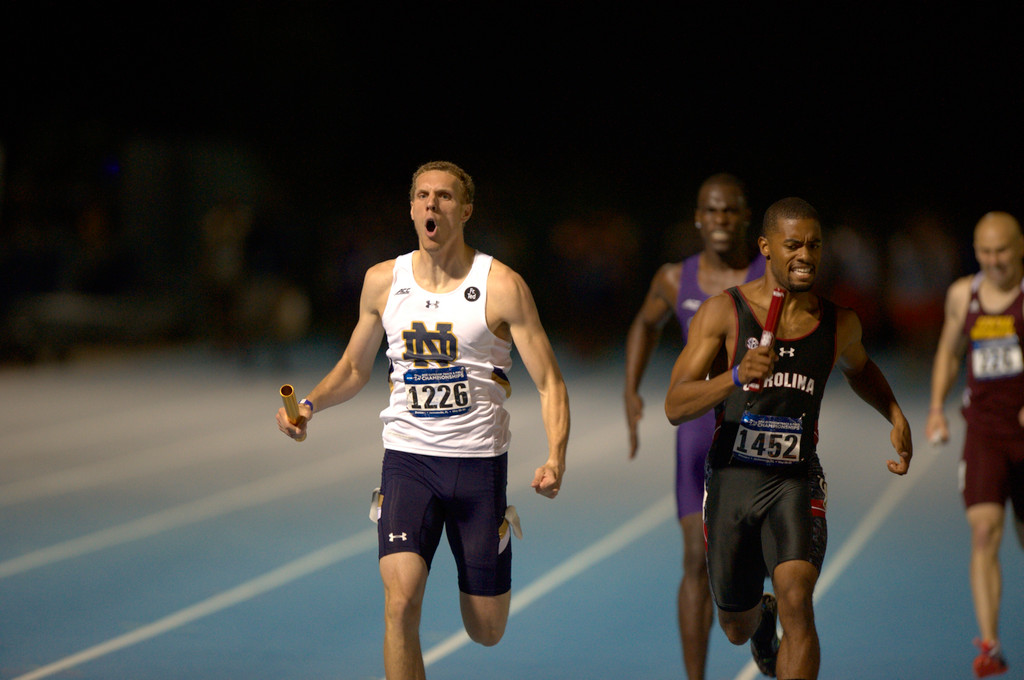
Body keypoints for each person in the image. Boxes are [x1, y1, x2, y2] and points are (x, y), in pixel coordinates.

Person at [276, 161, 570, 680]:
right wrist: (310, 406)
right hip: (408, 461)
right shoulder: (382, 281)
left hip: (478, 467)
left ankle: (498, 532)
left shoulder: (502, 285)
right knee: (400, 603)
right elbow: (353, 368)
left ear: (466, 210)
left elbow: (549, 381)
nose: (432, 204)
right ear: (411, 208)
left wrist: (556, 457)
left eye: (445, 196)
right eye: (423, 195)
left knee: (486, 629)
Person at [664, 197, 912, 679]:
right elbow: (676, 404)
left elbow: (860, 368)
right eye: (793, 245)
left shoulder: (839, 322)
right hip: (733, 478)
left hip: (795, 480)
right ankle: (761, 619)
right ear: (766, 247)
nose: (805, 255)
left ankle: (781, 616)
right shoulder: (724, 313)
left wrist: (894, 412)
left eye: (814, 245)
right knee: (735, 626)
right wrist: (736, 375)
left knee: (798, 600)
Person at [624, 173, 764, 679]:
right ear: (698, 219)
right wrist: (631, 389)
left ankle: (762, 612)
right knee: (695, 560)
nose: (721, 219)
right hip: (699, 433)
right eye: (712, 210)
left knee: (755, 559)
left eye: (730, 210)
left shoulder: (770, 274)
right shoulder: (673, 279)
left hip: (760, 432)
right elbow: (645, 323)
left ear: (746, 217)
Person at [926, 211, 1024, 678]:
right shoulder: (963, 294)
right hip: (984, 433)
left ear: (1020, 247)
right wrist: (935, 407)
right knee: (984, 532)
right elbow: (949, 351)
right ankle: (991, 645)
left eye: (1001, 250)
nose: (993, 260)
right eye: (984, 251)